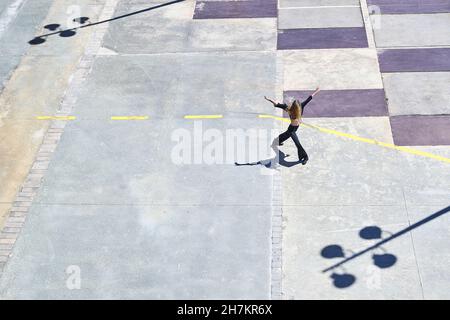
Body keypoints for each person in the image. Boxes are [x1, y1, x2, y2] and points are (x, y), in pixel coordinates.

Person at [264, 87, 320, 165]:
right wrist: (269, 99)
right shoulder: (290, 109)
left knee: (288, 137)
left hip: (293, 129)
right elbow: (277, 104)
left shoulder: (300, 107)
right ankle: (304, 157)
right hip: (292, 130)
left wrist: (316, 91)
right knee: (296, 142)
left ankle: (304, 157)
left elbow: (309, 98)